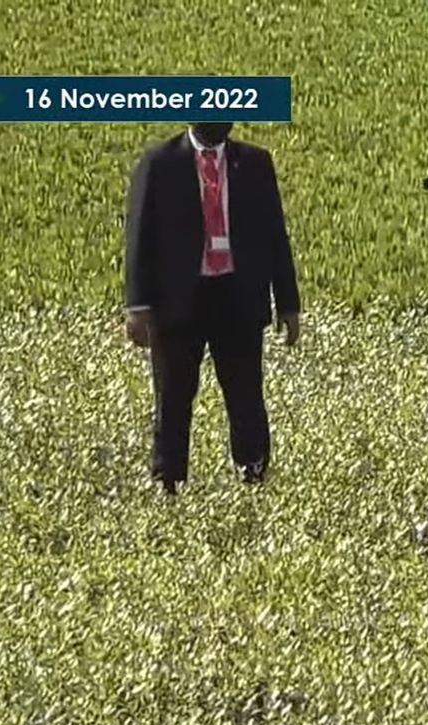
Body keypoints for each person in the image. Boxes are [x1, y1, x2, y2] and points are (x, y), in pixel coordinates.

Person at [124, 122, 301, 494]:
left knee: (246, 394)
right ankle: (168, 480)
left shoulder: (254, 163)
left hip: (237, 295)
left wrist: (287, 302)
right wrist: (138, 306)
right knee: (172, 395)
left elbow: (274, 234)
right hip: (178, 300)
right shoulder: (160, 163)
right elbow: (140, 235)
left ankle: (253, 473)